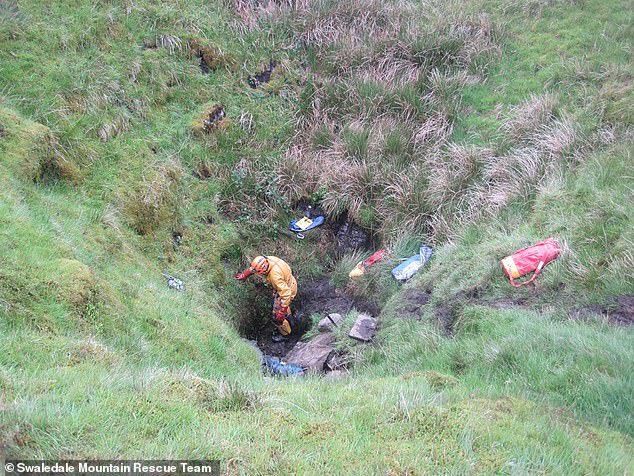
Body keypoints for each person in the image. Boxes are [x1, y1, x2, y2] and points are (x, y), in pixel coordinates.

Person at [235, 256, 298, 342]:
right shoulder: (267, 259)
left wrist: (282, 310)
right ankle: (291, 321)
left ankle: (286, 334)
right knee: (283, 308)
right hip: (289, 283)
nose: (258, 273)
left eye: (259, 272)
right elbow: (255, 267)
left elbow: (286, 294)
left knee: (277, 318)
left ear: (263, 270)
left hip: (286, 291)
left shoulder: (275, 276)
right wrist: (245, 274)